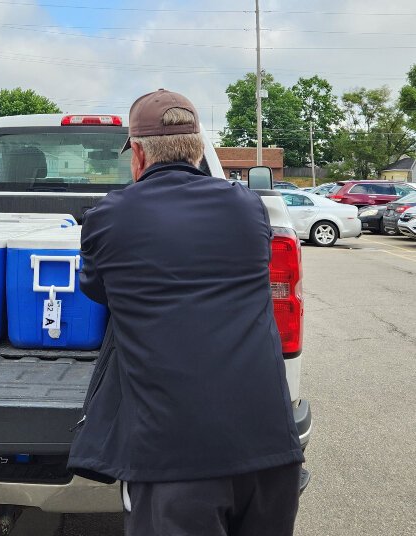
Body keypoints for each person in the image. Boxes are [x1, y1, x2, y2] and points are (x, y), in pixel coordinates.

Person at [67, 89, 304, 535]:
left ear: (137, 153)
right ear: (197, 148)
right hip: (270, 449)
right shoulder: (247, 206)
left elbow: (98, 291)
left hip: (174, 461)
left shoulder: (109, 217)